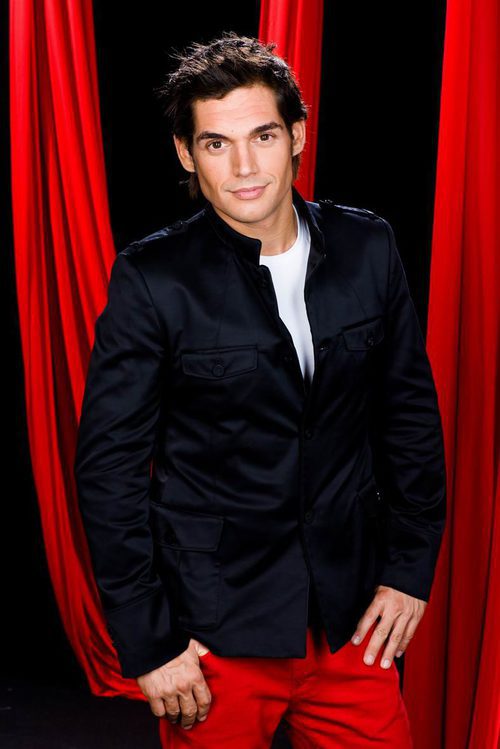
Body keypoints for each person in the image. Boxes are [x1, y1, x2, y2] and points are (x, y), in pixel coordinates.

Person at [74, 32, 446, 748]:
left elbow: (409, 418)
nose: (244, 167)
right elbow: (109, 472)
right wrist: (150, 643)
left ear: (297, 135)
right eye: (217, 144)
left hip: (349, 622)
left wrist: (409, 569)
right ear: (187, 154)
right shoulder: (153, 279)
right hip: (214, 633)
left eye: (263, 136)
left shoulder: (369, 248)